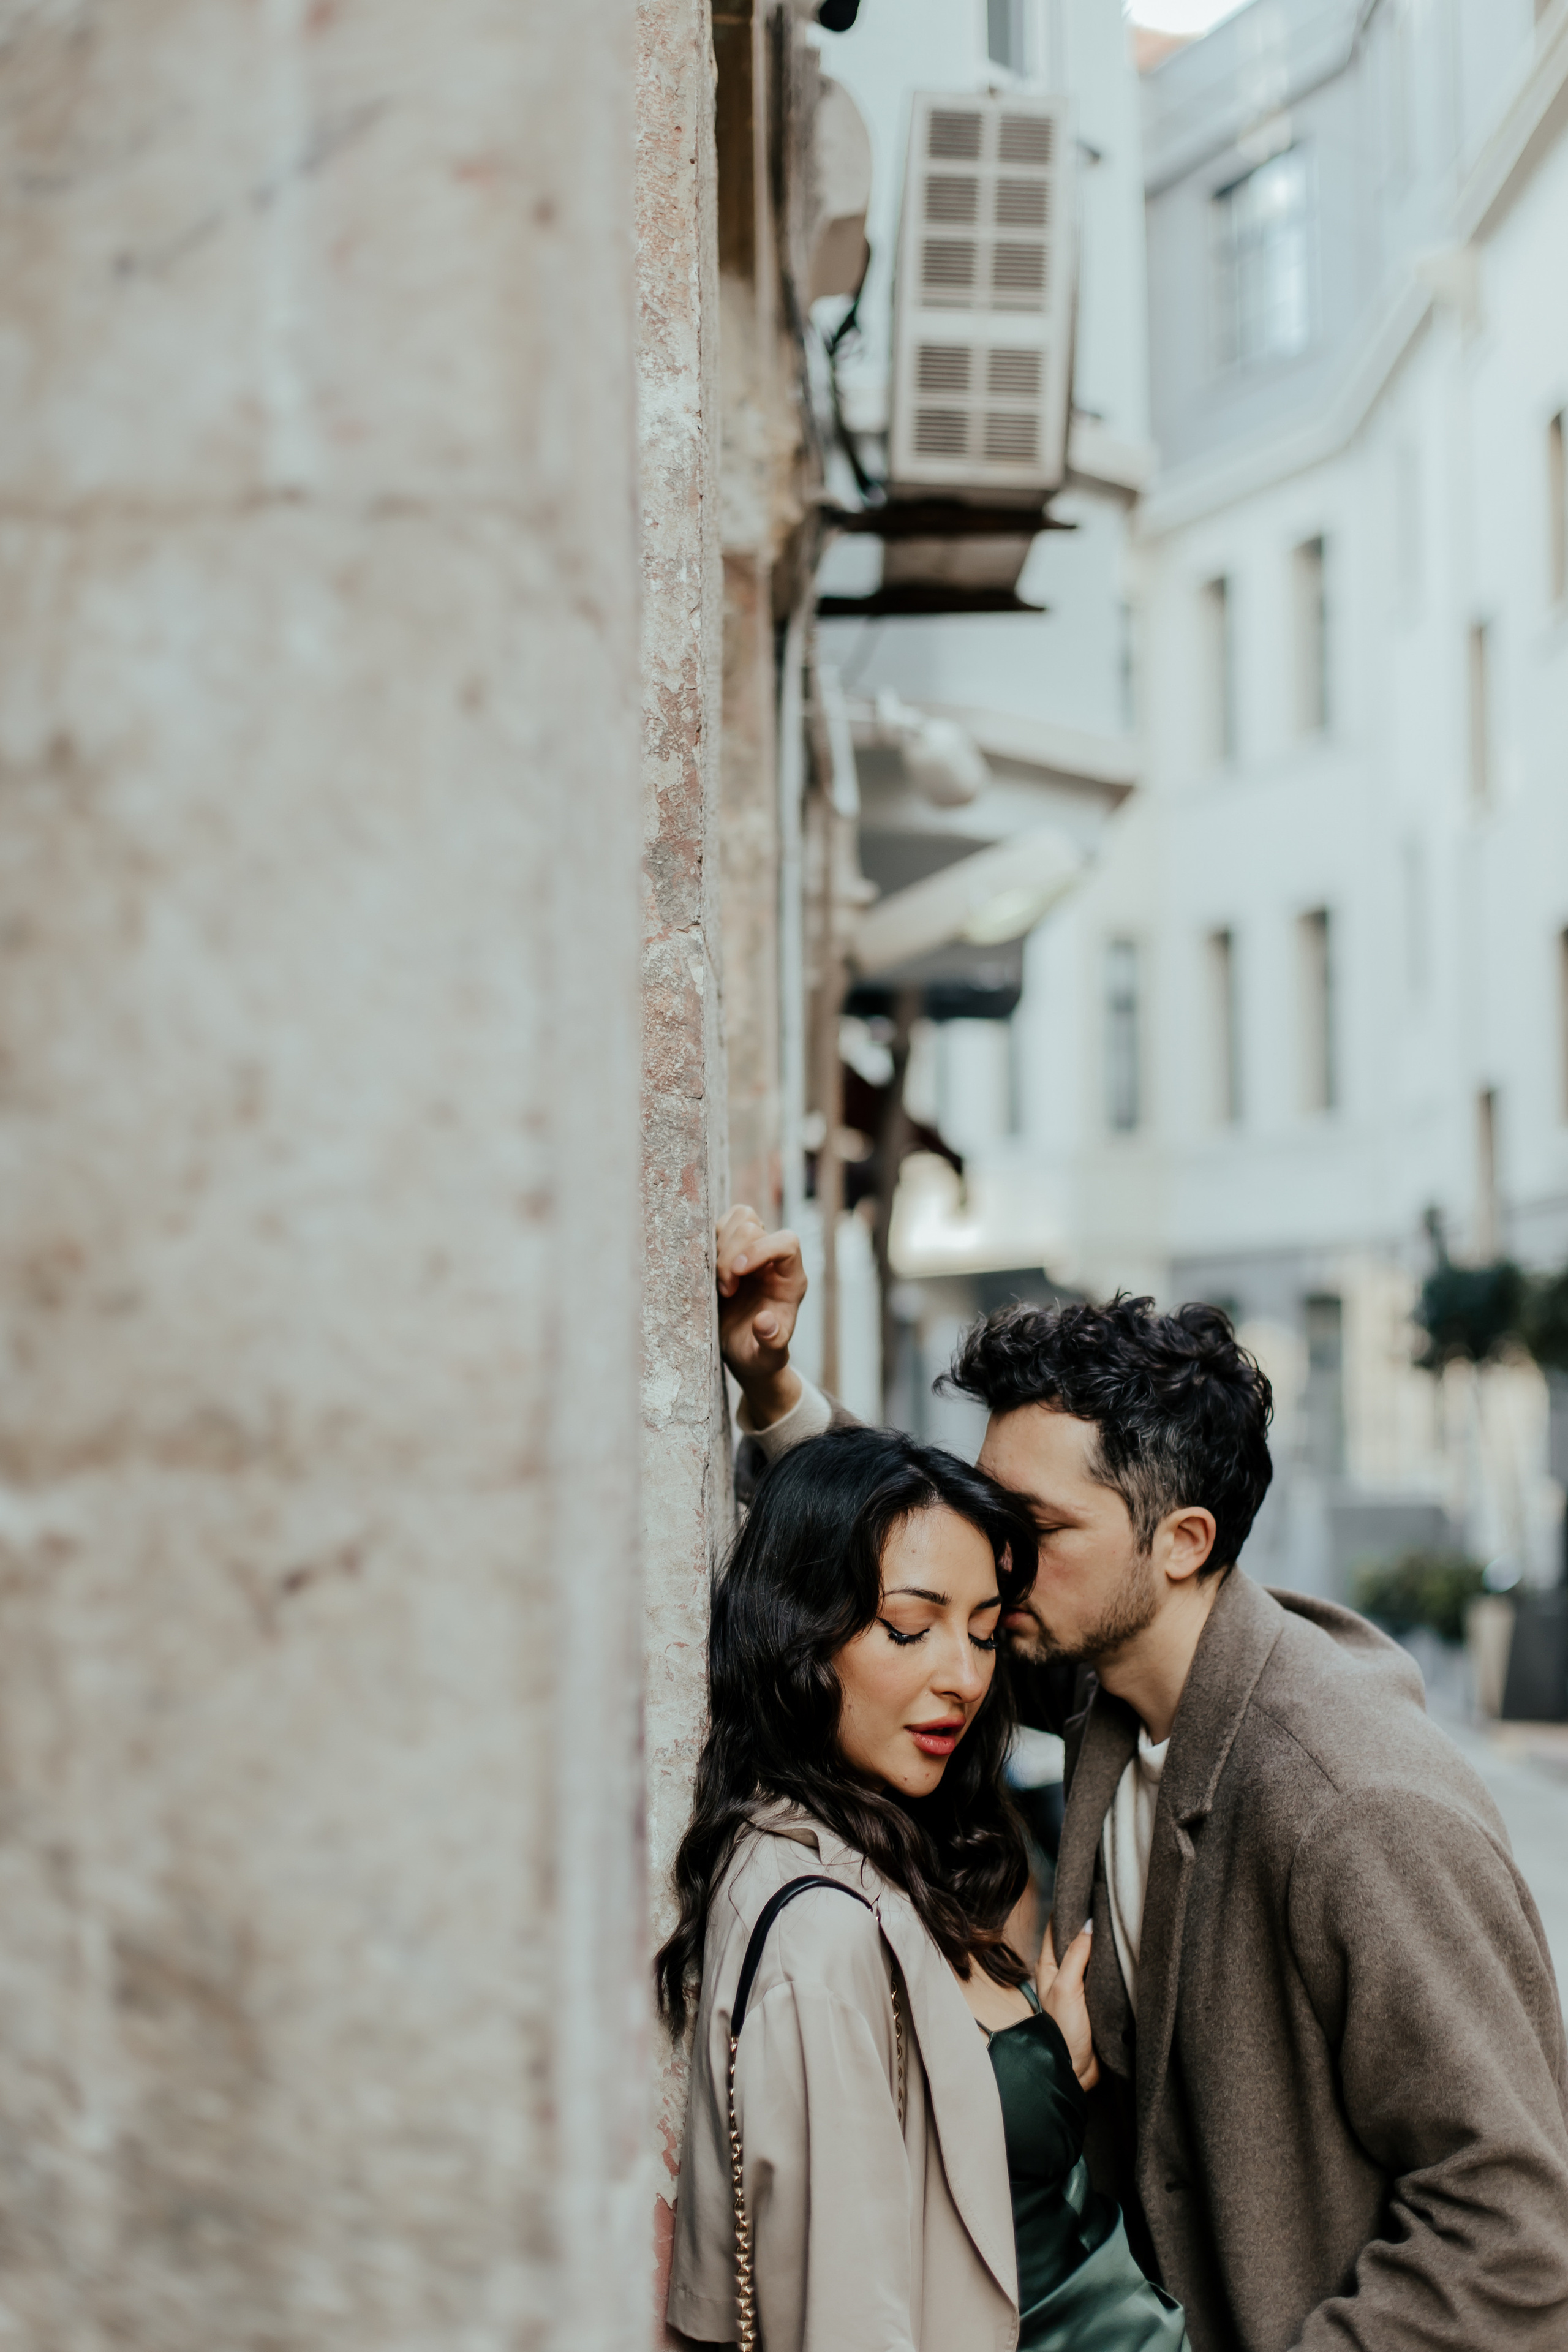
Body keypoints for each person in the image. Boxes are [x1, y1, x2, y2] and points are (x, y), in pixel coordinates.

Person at [714, 1204, 1568, 2352]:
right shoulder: (1110, 1671)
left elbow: (1518, 2228)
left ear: (1182, 1541)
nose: (995, 1564)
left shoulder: (1354, 1807)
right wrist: (775, 1393)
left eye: (1032, 1529)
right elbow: (906, 1594)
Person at [658, 1423, 1188, 2352]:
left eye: (984, 1634)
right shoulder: (818, 1941)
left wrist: (1045, 2059)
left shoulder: (894, 1841)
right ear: (798, 1630)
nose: (965, 1678)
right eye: (909, 1628)